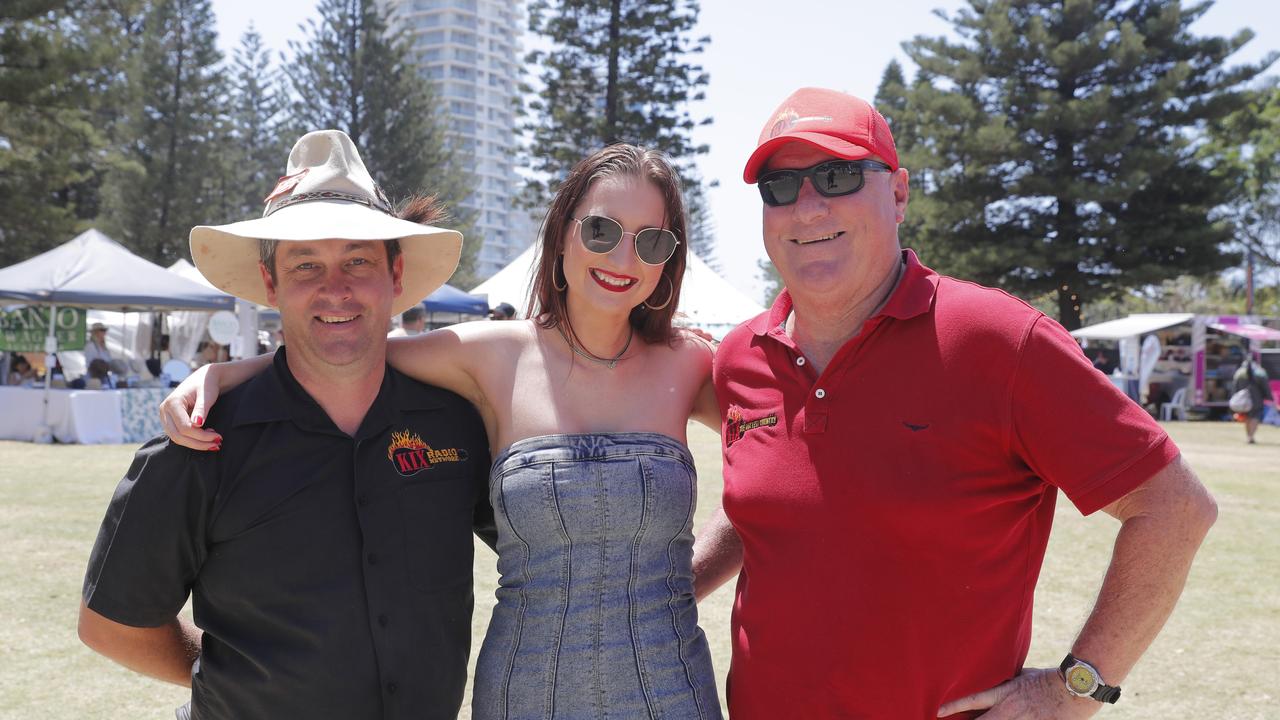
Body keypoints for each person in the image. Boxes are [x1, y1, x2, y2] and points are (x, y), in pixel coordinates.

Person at [691, 88, 1219, 719]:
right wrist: (664, 594)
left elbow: (1175, 508)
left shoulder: (1000, 339)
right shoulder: (740, 356)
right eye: (780, 187)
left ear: (899, 193)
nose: (807, 207)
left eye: (836, 176)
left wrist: (1076, 688)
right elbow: (776, 509)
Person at [161, 143, 723, 718]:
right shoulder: (490, 355)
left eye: (651, 240)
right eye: (602, 230)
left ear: (667, 261)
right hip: (525, 694)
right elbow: (348, 350)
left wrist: (685, 579)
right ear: (560, 236)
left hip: (671, 688)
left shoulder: (694, 365)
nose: (623, 258)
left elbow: (781, 473)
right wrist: (226, 371)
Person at [78, 130, 495, 720]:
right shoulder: (198, 441)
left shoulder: (457, 424)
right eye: (306, 265)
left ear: (395, 275)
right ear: (271, 283)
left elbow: (542, 546)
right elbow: (111, 624)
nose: (336, 289)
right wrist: (229, 680)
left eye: (357, 260)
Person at [1232, 356, 1274, 444]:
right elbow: (1265, 387)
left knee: (1247, 418)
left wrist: (1236, 397)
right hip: (1257, 400)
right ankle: (1251, 436)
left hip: (1244, 400)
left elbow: (1235, 387)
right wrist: (1269, 397)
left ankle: (1248, 436)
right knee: (1255, 417)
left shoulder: (1239, 372)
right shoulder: (1260, 372)